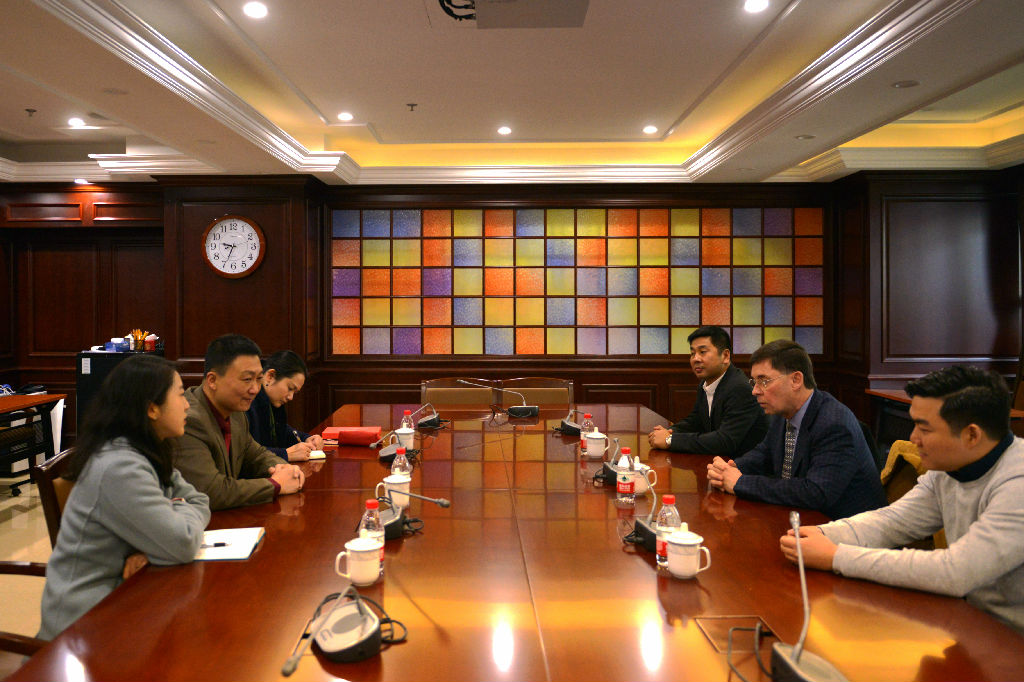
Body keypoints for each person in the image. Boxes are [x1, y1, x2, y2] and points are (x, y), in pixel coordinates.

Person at [780, 366, 1024, 634]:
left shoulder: (1017, 483)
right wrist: (821, 534)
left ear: (972, 435)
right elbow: (892, 522)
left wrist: (836, 556)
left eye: (924, 428)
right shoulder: (949, 468)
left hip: (1011, 637)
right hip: (972, 623)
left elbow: (956, 572)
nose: (913, 438)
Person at [38, 354, 210, 640]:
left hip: (128, 598)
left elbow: (200, 501)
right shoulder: (119, 466)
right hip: (84, 627)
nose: (187, 405)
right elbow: (182, 543)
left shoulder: (147, 450)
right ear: (152, 408)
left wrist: (152, 546)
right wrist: (174, 517)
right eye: (180, 395)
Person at [707, 339, 885, 520]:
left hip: (844, 527)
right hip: (799, 519)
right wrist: (730, 469)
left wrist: (740, 482)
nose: (755, 391)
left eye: (764, 381)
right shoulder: (782, 412)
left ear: (796, 380)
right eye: (754, 382)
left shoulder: (834, 424)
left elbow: (815, 493)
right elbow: (764, 454)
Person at [172, 334, 304, 511]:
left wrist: (286, 470)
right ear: (212, 380)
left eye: (259, 379)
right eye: (247, 379)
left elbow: (256, 455)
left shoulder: (236, 413)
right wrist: (275, 485)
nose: (255, 389)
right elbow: (211, 491)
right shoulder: (188, 420)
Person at [648, 326, 767, 456]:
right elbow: (696, 421)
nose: (696, 359)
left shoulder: (739, 388)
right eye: (692, 353)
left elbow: (725, 441)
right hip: (718, 461)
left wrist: (670, 440)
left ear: (725, 356)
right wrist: (670, 432)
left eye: (703, 352)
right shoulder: (705, 383)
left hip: (741, 464)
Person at [246, 350, 323, 461]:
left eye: (294, 392)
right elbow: (245, 453)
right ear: (270, 376)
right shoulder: (246, 400)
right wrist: (285, 454)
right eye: (290, 388)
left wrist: (306, 438)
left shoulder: (271, 400)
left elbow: (280, 430)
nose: (291, 397)